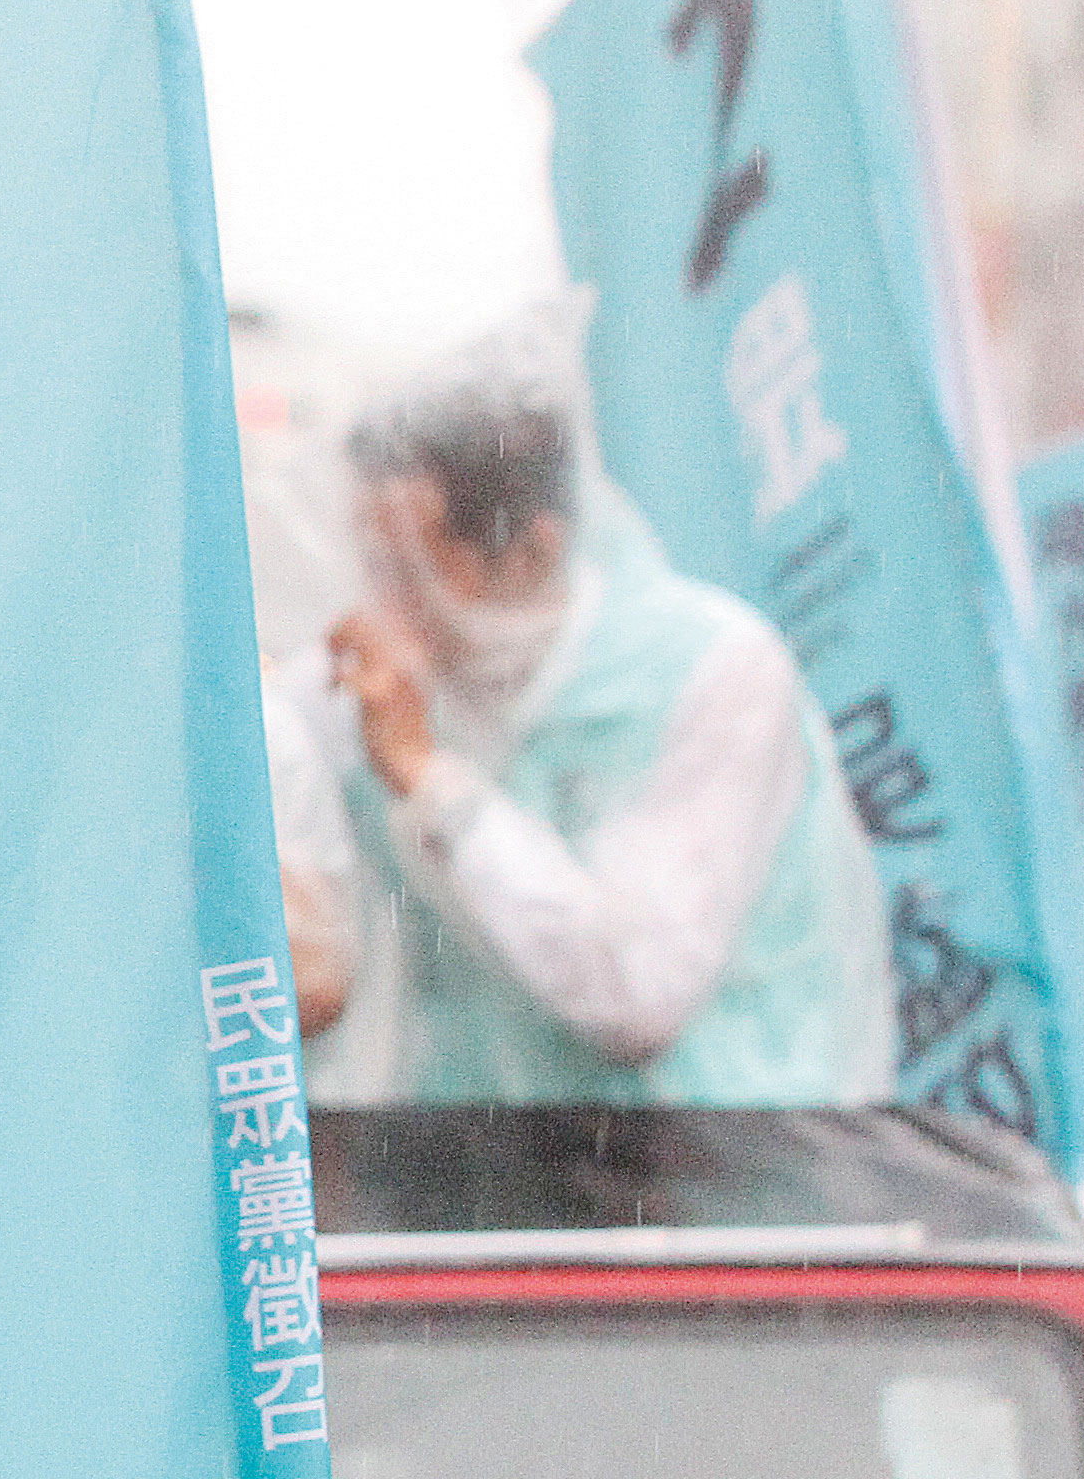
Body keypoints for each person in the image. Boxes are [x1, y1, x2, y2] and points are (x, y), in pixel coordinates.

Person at [278, 319, 891, 1104]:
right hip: (471, 1174)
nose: (380, 602)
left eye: (410, 568)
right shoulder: (358, 694)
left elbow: (636, 990)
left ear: (533, 551)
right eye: (370, 562)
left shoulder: (709, 671)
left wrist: (431, 780)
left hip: (722, 1172)